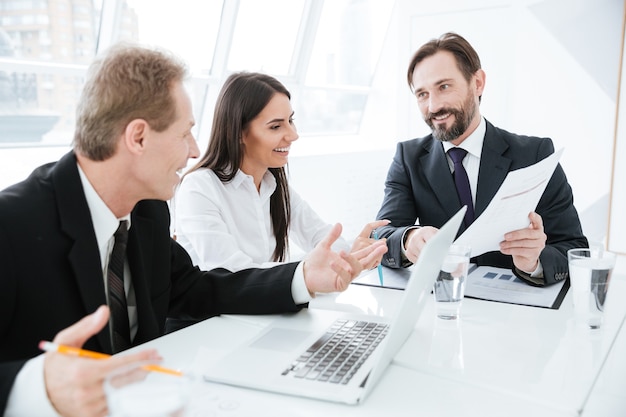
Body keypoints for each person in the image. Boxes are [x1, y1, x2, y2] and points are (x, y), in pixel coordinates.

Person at [0, 43, 387, 417]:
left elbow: (198, 288)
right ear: (138, 137)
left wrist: (302, 277)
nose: (193, 149)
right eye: (185, 133)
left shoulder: (149, 211)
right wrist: (39, 386)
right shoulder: (12, 225)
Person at [375, 32, 587, 287]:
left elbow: (574, 248)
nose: (433, 106)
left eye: (444, 86)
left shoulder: (535, 154)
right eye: (422, 94)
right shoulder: (408, 159)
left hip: (519, 315)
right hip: (440, 310)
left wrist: (534, 261)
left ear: (477, 83)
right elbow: (380, 237)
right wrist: (409, 239)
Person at [173, 71, 388, 272]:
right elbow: (230, 271)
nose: (293, 135)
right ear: (239, 133)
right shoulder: (199, 187)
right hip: (214, 312)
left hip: (259, 309)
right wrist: (307, 271)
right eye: (276, 126)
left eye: (290, 121)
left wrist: (352, 253)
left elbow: (323, 238)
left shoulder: (272, 185)